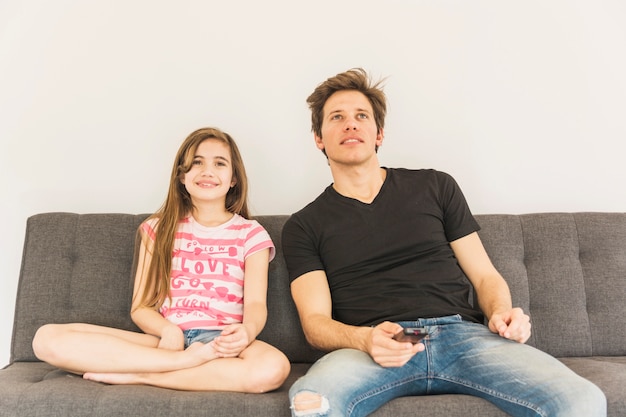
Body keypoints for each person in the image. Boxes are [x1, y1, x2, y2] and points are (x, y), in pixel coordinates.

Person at [282, 68, 606, 416]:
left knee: (583, 400)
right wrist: (364, 339)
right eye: (337, 117)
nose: (351, 124)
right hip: (372, 346)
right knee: (312, 404)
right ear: (319, 138)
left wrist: (499, 313)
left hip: (463, 338)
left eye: (362, 116)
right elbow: (315, 323)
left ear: (379, 133)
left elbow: (485, 276)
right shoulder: (303, 225)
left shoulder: (436, 186)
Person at [32, 127, 290, 392]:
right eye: (196, 163)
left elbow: (256, 304)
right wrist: (169, 332)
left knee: (273, 367)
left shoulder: (251, 234)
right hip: (166, 339)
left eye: (219, 163)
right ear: (181, 175)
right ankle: (180, 362)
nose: (207, 171)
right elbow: (141, 307)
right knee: (46, 338)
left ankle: (146, 375)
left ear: (234, 178)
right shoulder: (157, 229)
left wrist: (246, 331)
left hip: (219, 345)